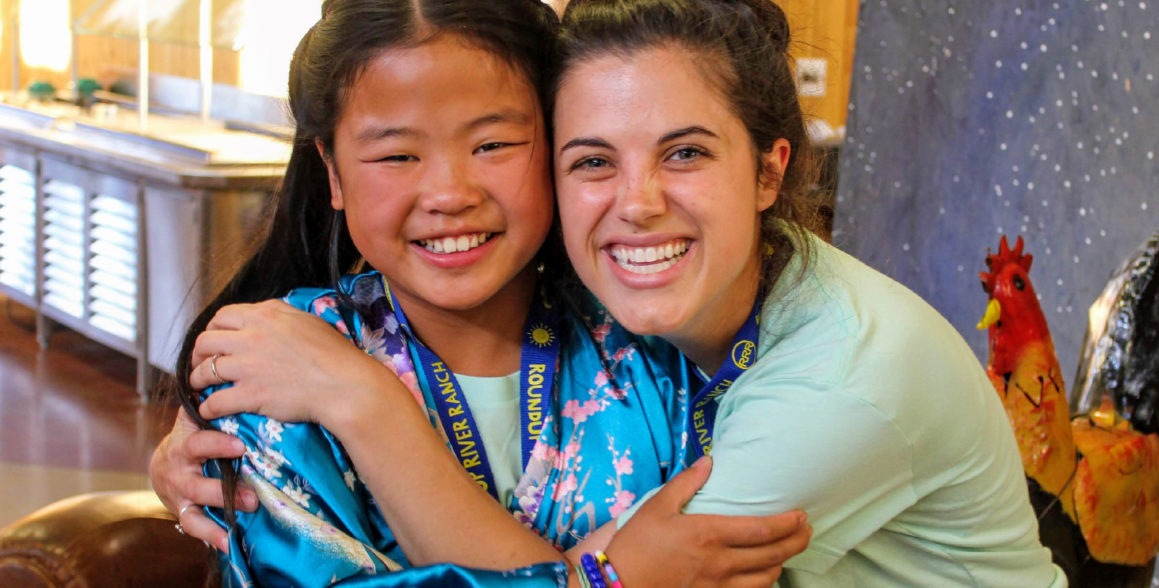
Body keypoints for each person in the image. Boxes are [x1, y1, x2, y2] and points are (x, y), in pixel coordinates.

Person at [162, 0, 1062, 585]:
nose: (636, 204)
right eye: (596, 158)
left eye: (494, 144)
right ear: (330, 168)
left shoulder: (694, 358)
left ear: (768, 169)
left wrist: (363, 404)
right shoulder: (282, 372)